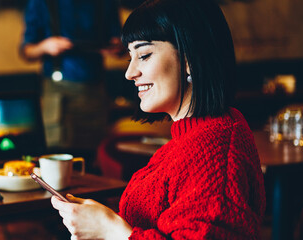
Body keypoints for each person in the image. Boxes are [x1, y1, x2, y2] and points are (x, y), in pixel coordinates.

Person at [51, 0, 266, 239]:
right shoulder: (193, 136)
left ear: (189, 58)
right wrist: (100, 220)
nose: (129, 73)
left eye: (143, 55)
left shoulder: (215, 148)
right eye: (129, 57)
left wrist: (111, 230)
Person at [20, 0, 124, 149]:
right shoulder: (41, 2)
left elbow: (120, 44)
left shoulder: (106, 3)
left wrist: (117, 46)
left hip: (95, 92)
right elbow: (27, 51)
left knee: (95, 153)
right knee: (58, 153)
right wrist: (45, 46)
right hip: (59, 92)